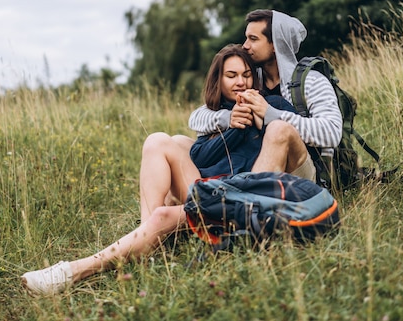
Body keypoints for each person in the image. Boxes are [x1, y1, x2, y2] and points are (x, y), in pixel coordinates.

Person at [21, 44, 277, 296]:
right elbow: (198, 126)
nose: (241, 82)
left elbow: (285, 131)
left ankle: (72, 271)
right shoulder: (213, 115)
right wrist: (227, 121)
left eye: (246, 75)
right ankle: (147, 234)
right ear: (218, 80)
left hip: (231, 199)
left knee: (164, 212)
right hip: (208, 190)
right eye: (231, 76)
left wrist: (261, 115)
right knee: (157, 139)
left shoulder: (267, 109)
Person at [189, 9, 343, 182]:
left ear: (275, 44)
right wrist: (229, 117)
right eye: (246, 37)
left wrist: (272, 115)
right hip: (260, 165)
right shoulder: (252, 79)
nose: (245, 45)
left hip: (304, 171)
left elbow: (332, 132)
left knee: (278, 129)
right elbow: (196, 118)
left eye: (253, 39)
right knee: (179, 142)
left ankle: (245, 199)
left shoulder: (311, 81)